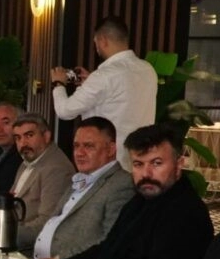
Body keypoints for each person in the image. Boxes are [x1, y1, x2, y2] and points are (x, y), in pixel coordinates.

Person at [48, 124, 212, 259]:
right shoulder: (141, 200)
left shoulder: (187, 214)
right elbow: (106, 249)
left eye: (157, 163)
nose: (146, 174)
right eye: (138, 164)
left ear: (179, 164)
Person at [50, 16, 157, 170]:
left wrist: (58, 83)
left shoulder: (103, 76)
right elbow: (119, 96)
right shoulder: (147, 70)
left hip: (109, 164)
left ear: (102, 40)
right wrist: (90, 81)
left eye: (96, 43)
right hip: (140, 162)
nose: (97, 48)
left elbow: (64, 111)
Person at [33, 117, 134, 259]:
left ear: (111, 149)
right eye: (76, 146)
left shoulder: (122, 184)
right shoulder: (80, 179)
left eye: (88, 146)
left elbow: (109, 241)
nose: (79, 153)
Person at [0, 113, 74, 249]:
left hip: (28, 249)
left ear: (46, 136)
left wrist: (0, 232)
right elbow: (11, 202)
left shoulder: (56, 169)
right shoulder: (28, 160)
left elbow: (46, 223)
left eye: (29, 135)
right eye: (18, 138)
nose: (23, 144)